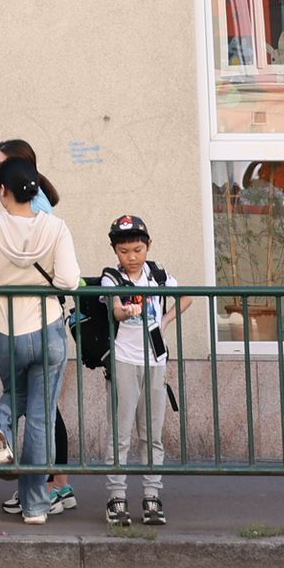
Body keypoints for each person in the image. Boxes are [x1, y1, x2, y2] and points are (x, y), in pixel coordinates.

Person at [0, 154, 83, 522]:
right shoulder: (55, 228)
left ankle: (1, 425)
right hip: (48, 329)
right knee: (43, 416)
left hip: (5, 330)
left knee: (17, 392)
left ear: (2, 190)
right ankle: (35, 507)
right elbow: (68, 281)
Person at [95, 214, 176, 528]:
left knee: (152, 433)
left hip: (156, 361)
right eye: (124, 250)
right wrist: (124, 311)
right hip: (124, 360)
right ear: (115, 251)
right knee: (120, 432)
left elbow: (186, 297)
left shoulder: (158, 274)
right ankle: (116, 497)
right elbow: (114, 308)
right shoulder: (111, 278)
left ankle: (152, 496)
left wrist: (164, 322)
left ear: (148, 246)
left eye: (137, 250)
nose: (131, 257)